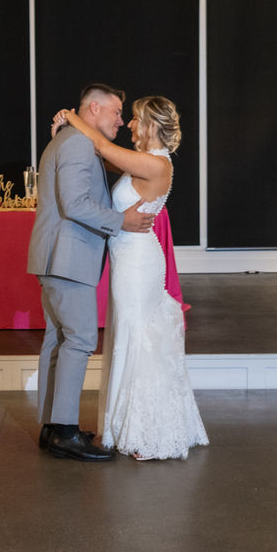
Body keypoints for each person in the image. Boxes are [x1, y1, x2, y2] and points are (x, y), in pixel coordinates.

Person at [53, 96, 208, 460]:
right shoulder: (145, 160)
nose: (130, 125)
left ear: (151, 125)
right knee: (127, 334)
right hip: (128, 259)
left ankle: (145, 433)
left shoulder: (156, 163)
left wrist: (71, 115)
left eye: (136, 119)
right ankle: (122, 426)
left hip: (138, 263)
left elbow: (102, 146)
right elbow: (102, 155)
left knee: (135, 337)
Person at [27, 84, 155, 462]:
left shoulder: (71, 140)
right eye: (116, 112)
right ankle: (65, 433)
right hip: (67, 259)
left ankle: (53, 427)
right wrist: (121, 221)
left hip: (56, 258)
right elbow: (76, 204)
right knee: (80, 340)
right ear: (94, 109)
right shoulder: (78, 144)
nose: (120, 121)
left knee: (58, 341)